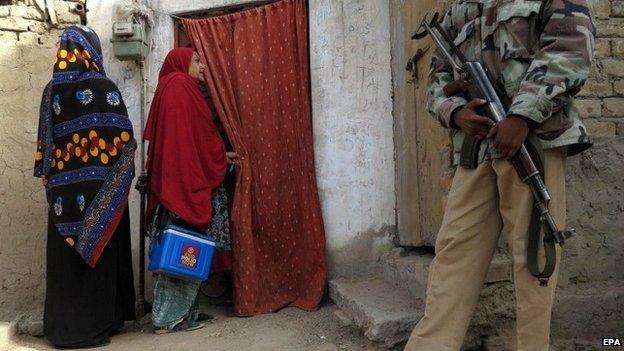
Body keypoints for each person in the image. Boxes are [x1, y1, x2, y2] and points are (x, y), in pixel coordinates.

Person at [405, 1, 595, 350]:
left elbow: (571, 49)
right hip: (477, 148)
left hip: (533, 142)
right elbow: (439, 74)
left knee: (533, 260)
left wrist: (522, 117)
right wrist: (455, 111)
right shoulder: (459, 7)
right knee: (453, 256)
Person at [34, 26, 137, 348]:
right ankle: (101, 324)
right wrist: (119, 174)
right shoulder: (103, 86)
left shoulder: (51, 90)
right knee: (102, 253)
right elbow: (123, 137)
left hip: (63, 195)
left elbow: (45, 145)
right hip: (101, 189)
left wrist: (53, 174)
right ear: (91, 51)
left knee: (66, 262)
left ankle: (65, 329)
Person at [144, 47, 238, 334]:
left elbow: (188, 139)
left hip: (173, 186)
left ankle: (187, 313)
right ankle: (167, 319)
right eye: (197, 60)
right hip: (186, 188)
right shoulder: (182, 86)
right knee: (183, 253)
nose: (203, 66)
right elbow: (201, 138)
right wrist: (220, 157)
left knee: (185, 252)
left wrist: (220, 155)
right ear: (182, 63)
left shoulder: (166, 88)